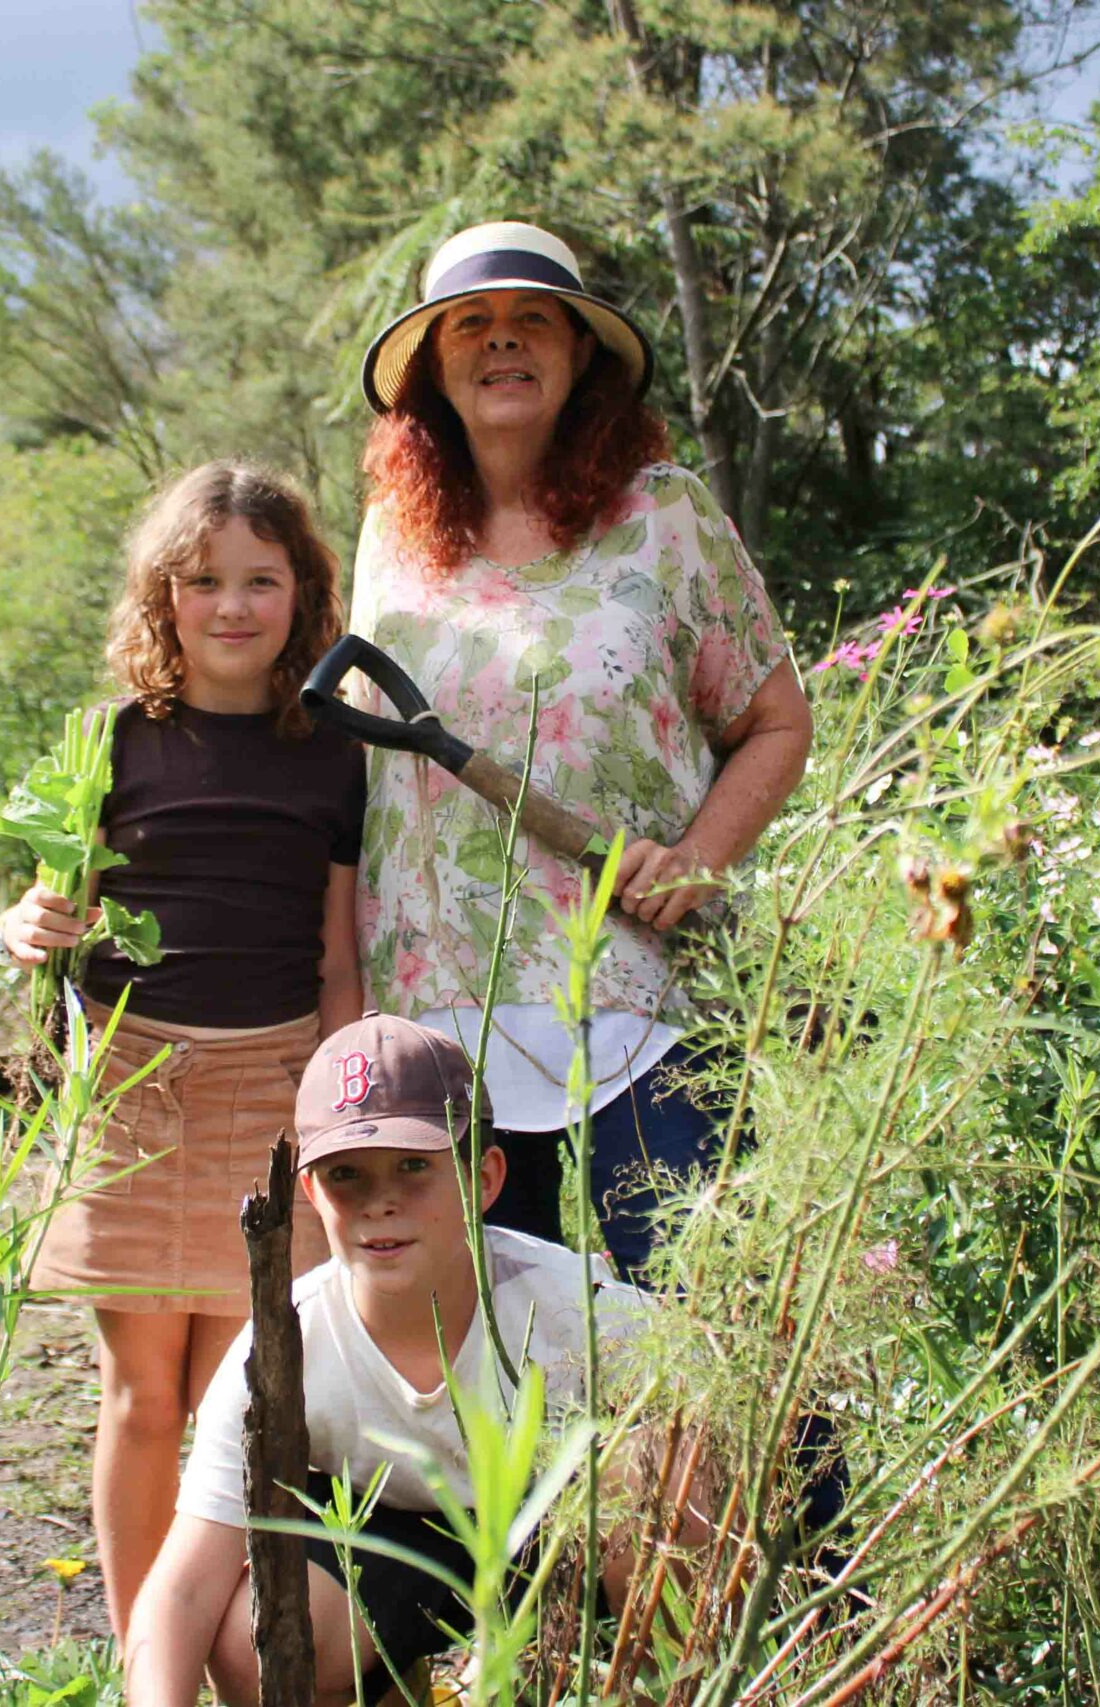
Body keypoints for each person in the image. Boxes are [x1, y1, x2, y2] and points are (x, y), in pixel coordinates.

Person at [347, 220, 815, 1275]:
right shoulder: (394, 536)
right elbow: (363, 771)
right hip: (437, 1015)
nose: (501, 341)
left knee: (703, 1310)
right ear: (434, 369)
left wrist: (702, 853)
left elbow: (775, 720)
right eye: (471, 323)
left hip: (634, 994)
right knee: (496, 1362)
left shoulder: (663, 516)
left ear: (579, 355)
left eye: (531, 320)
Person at [0, 461, 367, 1641]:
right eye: (203, 582)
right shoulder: (108, 742)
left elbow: (339, 952)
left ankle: (221, 1648)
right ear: (163, 597)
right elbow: (38, 909)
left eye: (262, 581)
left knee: (240, 1402)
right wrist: (18, 928)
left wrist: (335, 1113)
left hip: (274, 1088)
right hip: (134, 1086)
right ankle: (139, 1651)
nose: (233, 607)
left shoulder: (333, 753)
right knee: (144, 1399)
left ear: (303, 595)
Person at [124, 1013, 666, 1707]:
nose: (381, 1202)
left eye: (414, 1166)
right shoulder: (286, 1343)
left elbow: (708, 1454)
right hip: (394, 1544)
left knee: (662, 1470)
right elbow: (184, 1585)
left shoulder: (571, 1307)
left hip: (558, 1538)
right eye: (346, 1174)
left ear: (485, 1176)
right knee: (246, 1640)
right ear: (311, 1193)